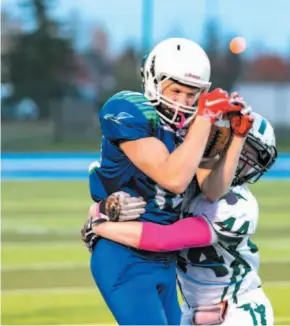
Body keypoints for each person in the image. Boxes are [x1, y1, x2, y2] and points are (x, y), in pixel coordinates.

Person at [86, 37, 254, 325]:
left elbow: (213, 190)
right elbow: (174, 178)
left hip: (164, 260)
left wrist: (237, 138)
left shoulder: (194, 126)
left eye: (192, 95)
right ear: (154, 81)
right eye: (176, 90)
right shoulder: (130, 110)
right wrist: (204, 119)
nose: (183, 102)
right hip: (125, 254)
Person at [83, 112, 278, 325]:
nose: (245, 162)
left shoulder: (238, 204)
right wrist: (105, 208)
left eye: (251, 156)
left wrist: (100, 227)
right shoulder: (184, 185)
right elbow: (140, 212)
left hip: (238, 311)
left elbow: (164, 239)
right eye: (241, 149)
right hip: (190, 313)